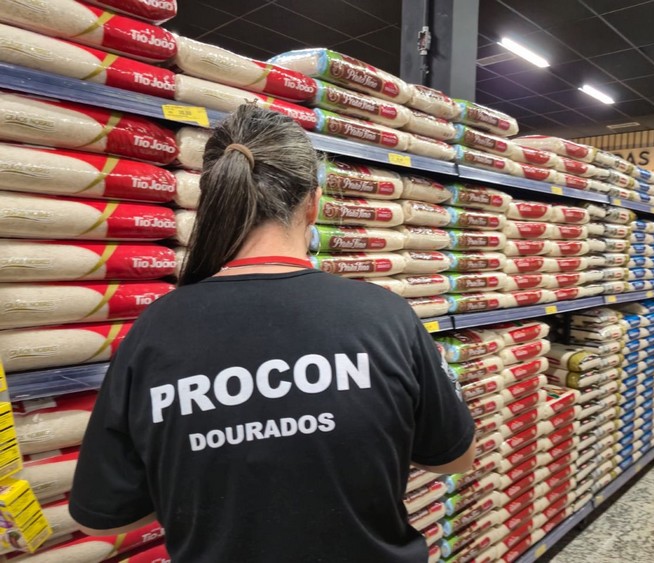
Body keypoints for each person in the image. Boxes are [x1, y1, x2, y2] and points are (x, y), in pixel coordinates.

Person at [69, 104, 476, 562]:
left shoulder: (154, 331)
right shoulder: (385, 316)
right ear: (313, 203)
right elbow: (454, 457)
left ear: (214, 199)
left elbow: (101, 517)